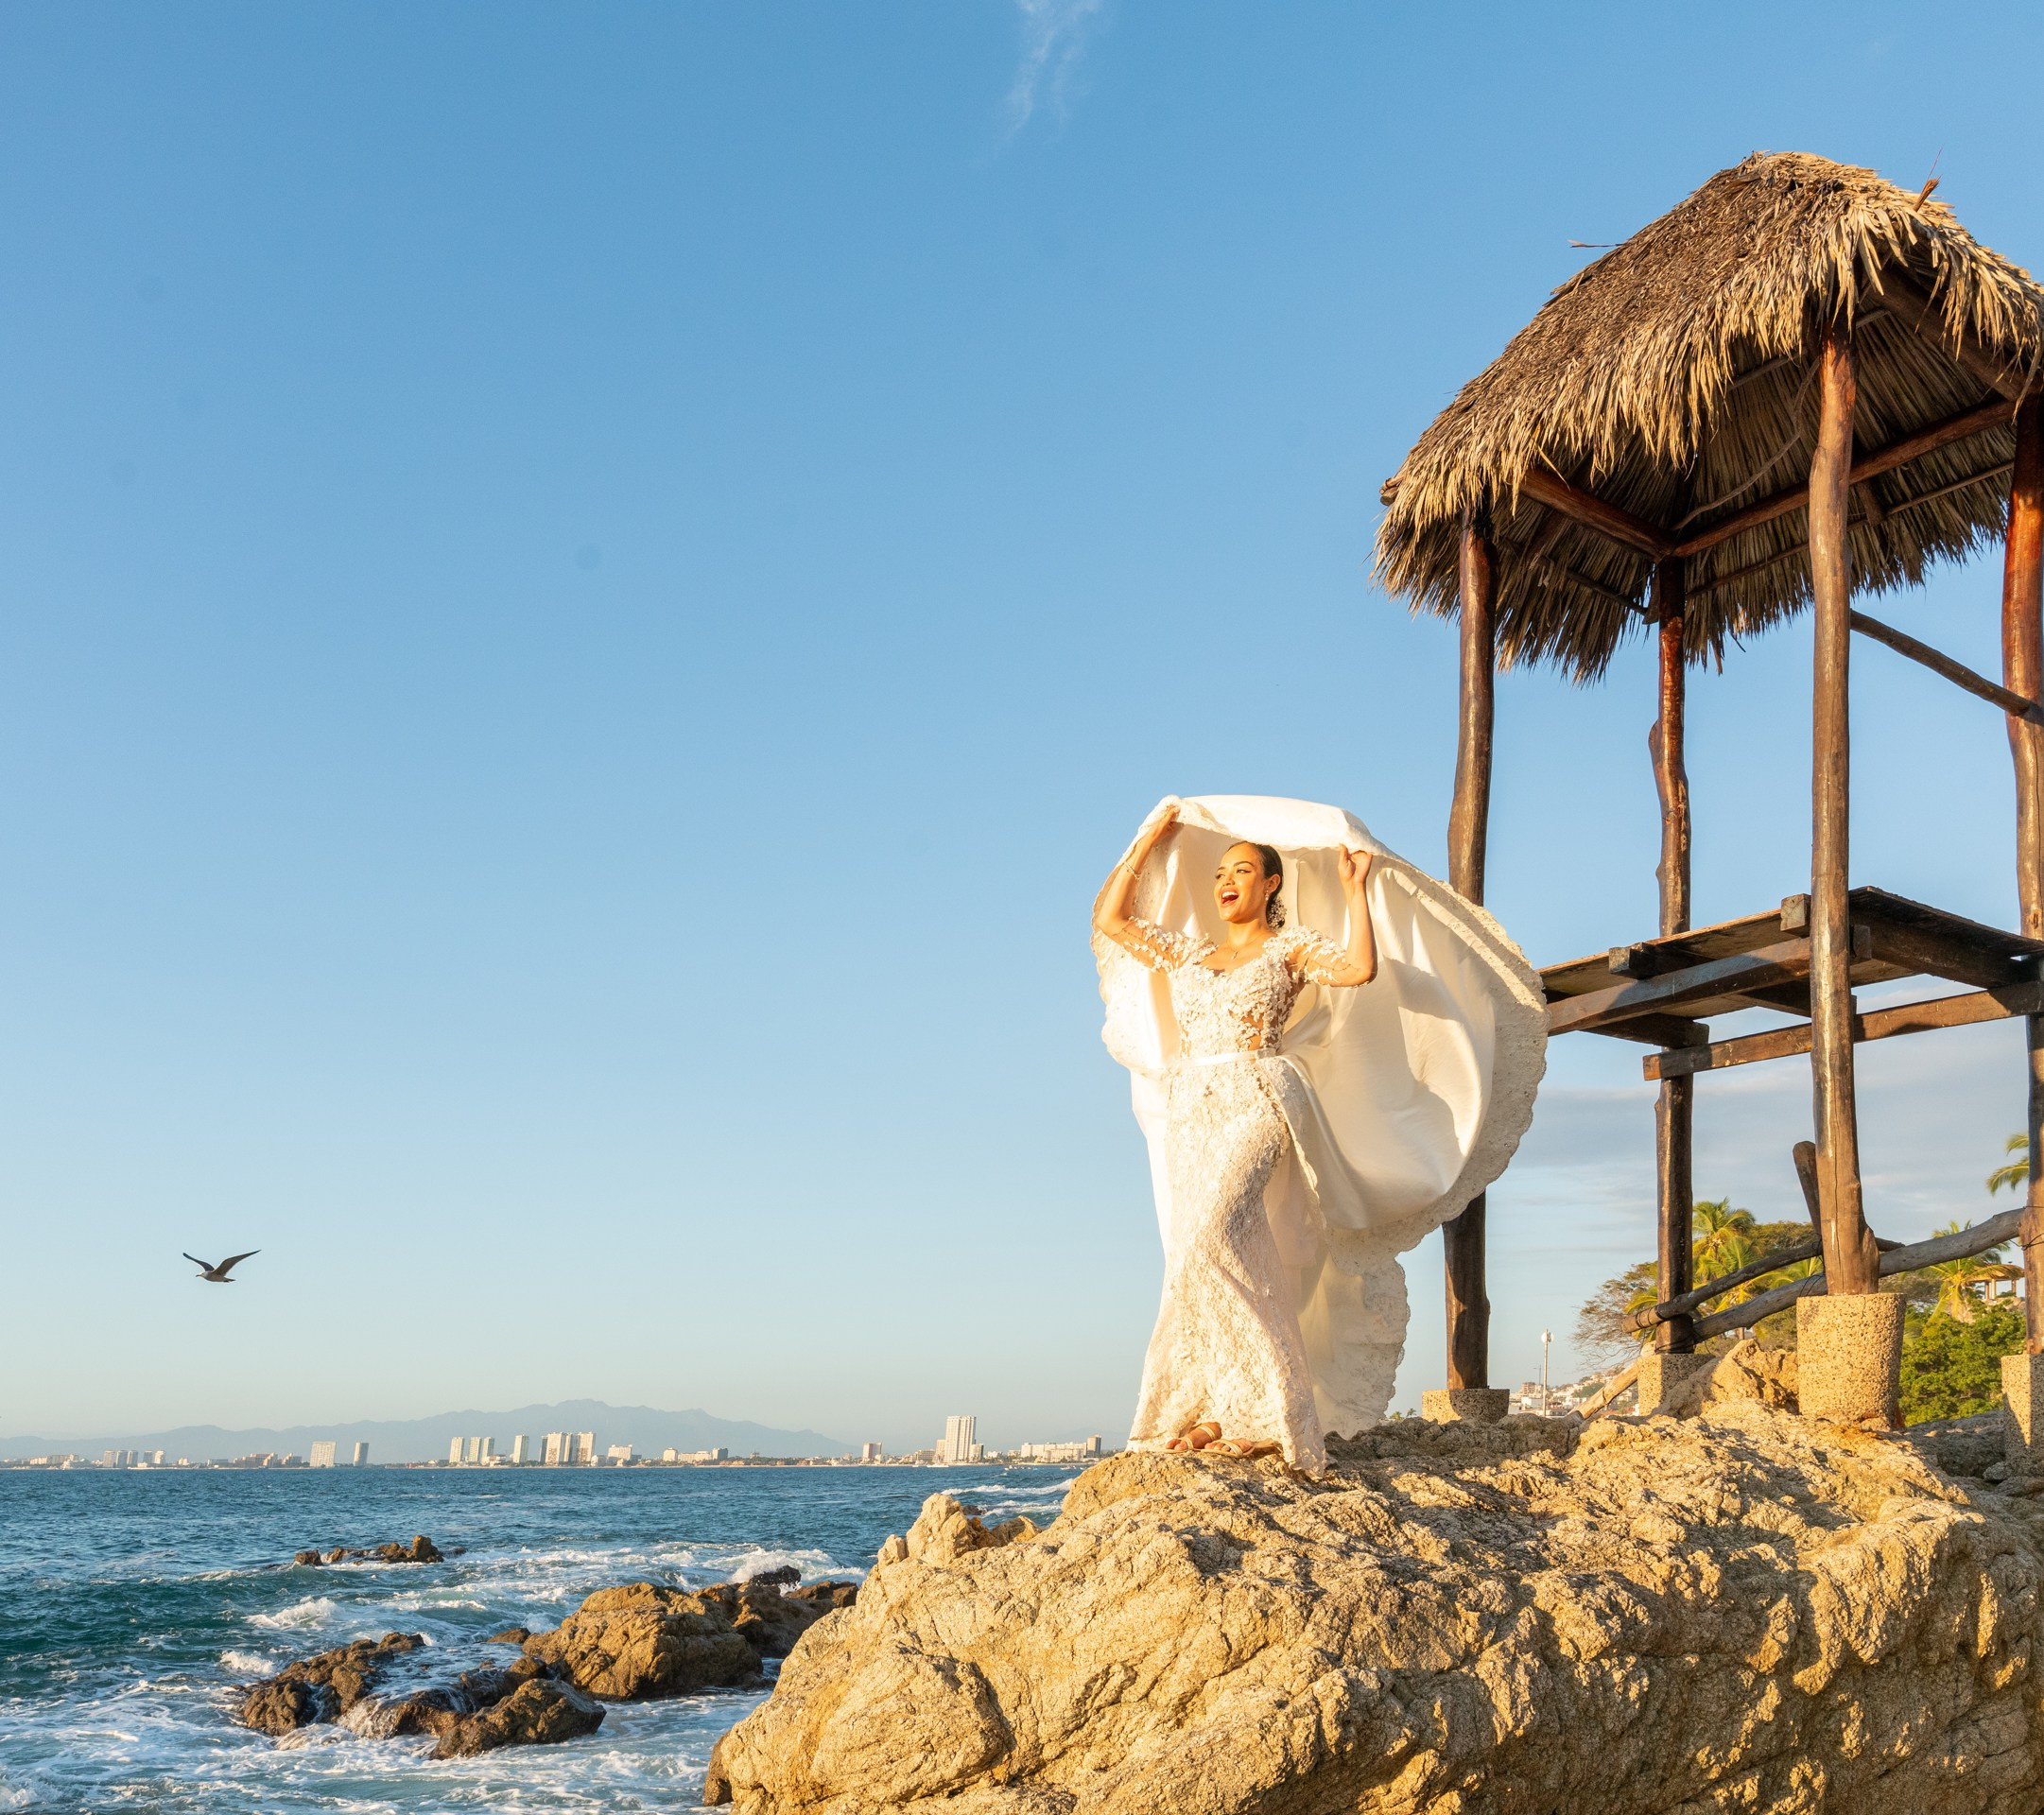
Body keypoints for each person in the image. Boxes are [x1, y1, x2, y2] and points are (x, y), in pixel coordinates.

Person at [1092, 801, 1379, 1468]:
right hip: (1192, 1112)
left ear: (1270, 884)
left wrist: (1355, 893)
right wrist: (1149, 841)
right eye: (1220, 871)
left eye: (1243, 869)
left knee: (1211, 1237)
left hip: (1256, 1099)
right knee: (1208, 1256)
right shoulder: (1189, 953)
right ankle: (1217, 1411)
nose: (1226, 880)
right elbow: (1110, 920)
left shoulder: (1289, 950)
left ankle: (1268, 1407)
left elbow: (1359, 970)